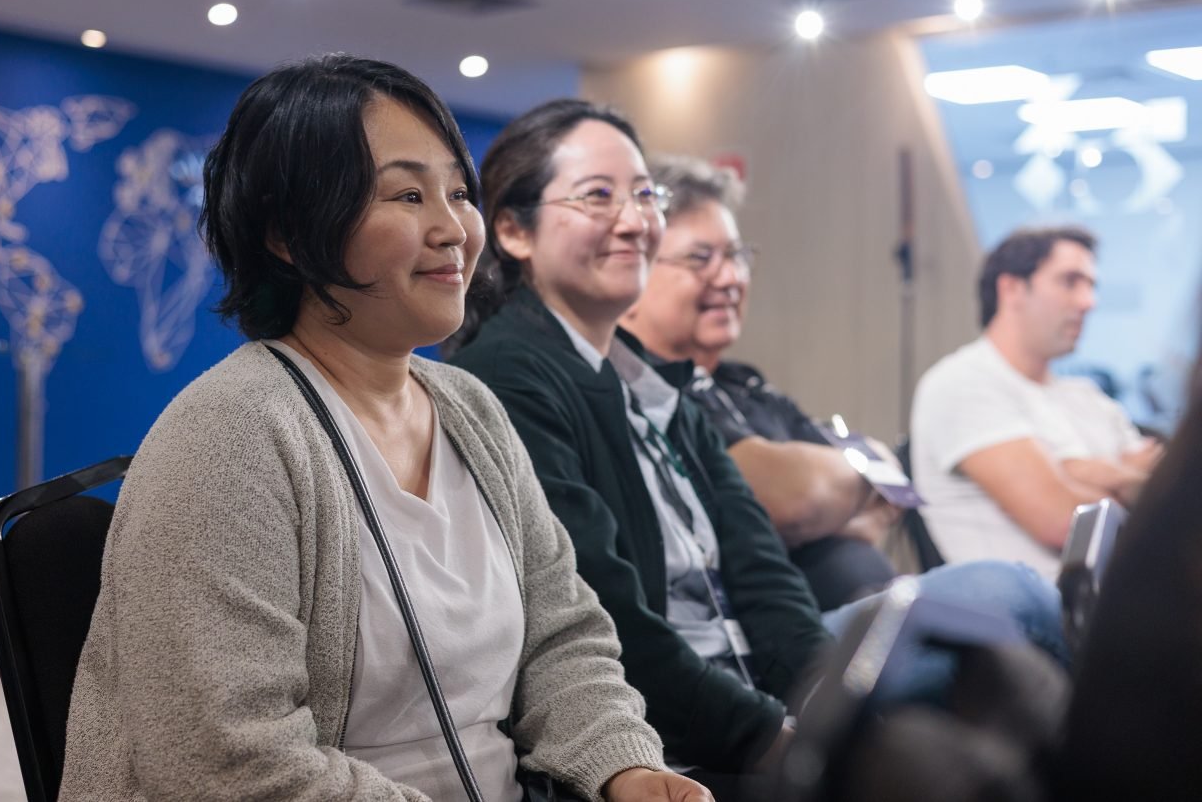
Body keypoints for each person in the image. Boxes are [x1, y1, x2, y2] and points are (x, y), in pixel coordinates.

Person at [60, 55, 710, 802]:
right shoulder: (228, 437)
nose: (454, 229)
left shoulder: (470, 410)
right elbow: (226, 766)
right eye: (407, 194)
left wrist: (624, 767)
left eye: (459, 193)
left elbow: (563, 638)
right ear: (287, 233)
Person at [446, 99, 1068, 800]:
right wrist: (779, 740)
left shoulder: (653, 384)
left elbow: (764, 578)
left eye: (645, 195)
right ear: (513, 230)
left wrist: (830, 712)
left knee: (993, 681)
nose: (633, 218)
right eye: (598, 196)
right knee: (1005, 605)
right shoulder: (509, 378)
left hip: (751, 690)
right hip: (659, 736)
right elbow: (612, 629)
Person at [618, 154, 899, 610]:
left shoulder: (743, 384)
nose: (729, 278)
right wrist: (840, 504)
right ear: (634, 272)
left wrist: (829, 503)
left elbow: (886, 481)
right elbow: (797, 499)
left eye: (736, 255)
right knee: (1007, 591)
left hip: (862, 632)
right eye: (700, 259)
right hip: (778, 660)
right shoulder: (648, 394)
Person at [910, 227, 1161, 580]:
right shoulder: (962, 382)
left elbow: (1162, 497)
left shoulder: (1087, 396)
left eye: (1091, 286)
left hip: (1123, 600)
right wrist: (1123, 476)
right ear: (1011, 288)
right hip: (1038, 617)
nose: (1089, 302)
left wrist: (1082, 471)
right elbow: (1065, 523)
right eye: (1070, 282)